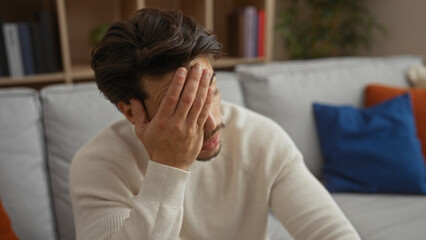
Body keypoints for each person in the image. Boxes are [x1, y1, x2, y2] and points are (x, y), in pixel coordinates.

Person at [69, 8, 360, 240]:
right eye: (182, 105)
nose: (210, 122)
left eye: (209, 91)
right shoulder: (98, 166)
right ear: (132, 113)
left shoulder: (261, 139)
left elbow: (332, 233)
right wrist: (168, 168)